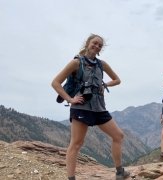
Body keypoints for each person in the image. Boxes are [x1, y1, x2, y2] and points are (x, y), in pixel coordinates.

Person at [51, 34, 130, 180]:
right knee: (76, 143)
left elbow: (117, 80)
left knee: (118, 136)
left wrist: (105, 84)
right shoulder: (76, 63)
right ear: (88, 43)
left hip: (99, 108)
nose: (97, 46)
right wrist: (70, 99)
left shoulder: (102, 64)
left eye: (100, 45)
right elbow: (55, 82)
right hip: (81, 107)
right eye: (95, 43)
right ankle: (71, 178)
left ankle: (120, 172)